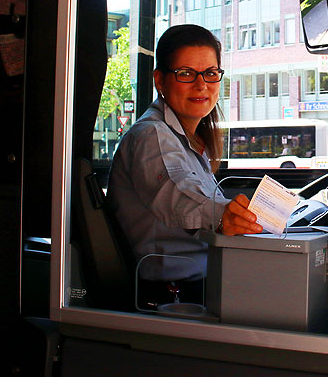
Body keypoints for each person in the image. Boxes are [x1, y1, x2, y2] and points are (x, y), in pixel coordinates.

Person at [107, 24, 262, 307]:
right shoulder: (152, 136)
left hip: (202, 282)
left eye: (211, 73)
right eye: (186, 73)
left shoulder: (186, 140)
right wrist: (223, 215)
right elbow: (177, 193)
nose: (201, 84)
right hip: (174, 295)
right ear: (160, 81)